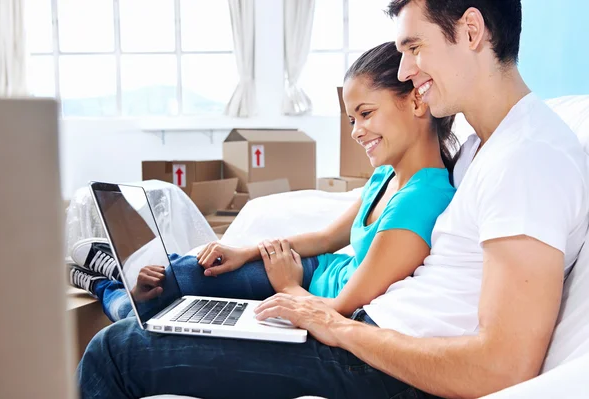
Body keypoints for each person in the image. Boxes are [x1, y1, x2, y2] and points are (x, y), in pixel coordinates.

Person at [78, 1, 589, 398]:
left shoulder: (528, 159)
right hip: (367, 340)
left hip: (379, 372)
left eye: (415, 48)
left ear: (472, 31)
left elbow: (500, 367)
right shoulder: (485, 145)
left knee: (115, 352)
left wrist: (333, 324)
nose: (407, 69)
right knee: (167, 314)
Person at [69, 41, 457, 323]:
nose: (356, 132)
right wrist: (246, 251)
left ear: (417, 102)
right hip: (310, 269)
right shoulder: (385, 176)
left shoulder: (423, 199)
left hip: (307, 296)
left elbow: (345, 309)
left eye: (365, 113)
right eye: (352, 119)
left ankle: (104, 282)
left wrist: (288, 285)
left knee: (148, 305)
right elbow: (325, 239)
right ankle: (113, 272)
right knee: (181, 274)